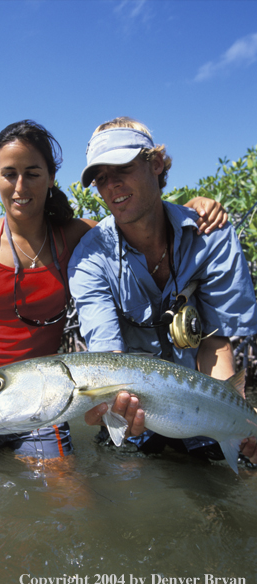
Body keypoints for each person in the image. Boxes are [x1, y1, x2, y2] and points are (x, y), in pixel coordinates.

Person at [0, 119, 226, 460]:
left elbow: (138, 220)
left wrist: (196, 206)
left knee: (69, 498)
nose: (20, 186)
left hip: (45, 395)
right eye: (9, 173)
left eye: (33, 173)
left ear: (51, 178)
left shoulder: (78, 237)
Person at [68, 116, 257, 464]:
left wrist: (239, 422)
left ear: (155, 163)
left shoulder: (211, 235)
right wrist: (113, 409)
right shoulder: (89, 259)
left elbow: (216, 342)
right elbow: (108, 362)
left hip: (202, 408)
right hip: (132, 415)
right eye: (101, 178)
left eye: (121, 168)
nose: (112, 186)